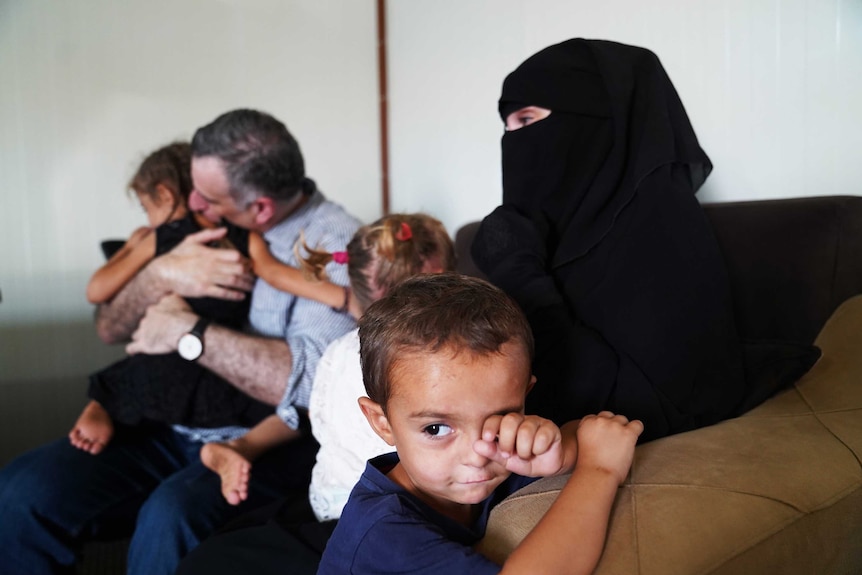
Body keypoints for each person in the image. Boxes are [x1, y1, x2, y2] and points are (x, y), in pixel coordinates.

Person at [0, 109, 361, 575]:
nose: (192, 202)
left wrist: (189, 334)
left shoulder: (333, 244)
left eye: (207, 196)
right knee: (21, 492)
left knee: (169, 516)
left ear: (261, 211)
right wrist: (159, 275)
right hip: (175, 417)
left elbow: (313, 386)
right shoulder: (206, 222)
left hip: (266, 440)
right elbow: (110, 328)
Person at [471, 39, 750, 442]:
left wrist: (518, 275)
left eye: (528, 120)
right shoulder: (536, 232)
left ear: (591, 122)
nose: (513, 141)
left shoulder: (661, 231)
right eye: (508, 126)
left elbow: (642, 407)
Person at [177, 213, 456, 574]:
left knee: (213, 552)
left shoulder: (340, 351)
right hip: (358, 511)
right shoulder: (441, 359)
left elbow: (314, 413)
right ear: (443, 281)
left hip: (342, 509)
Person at [316, 273, 643, 574]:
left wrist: (561, 453)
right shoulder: (382, 534)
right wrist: (599, 472)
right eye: (436, 429)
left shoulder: (498, 452)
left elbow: (585, 436)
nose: (477, 454)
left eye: (500, 418)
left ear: (525, 396)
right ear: (382, 423)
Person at [71, 141, 350, 455]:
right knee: (148, 365)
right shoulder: (163, 238)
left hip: (211, 344)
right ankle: (103, 403)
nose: (147, 220)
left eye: (146, 208)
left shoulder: (219, 234)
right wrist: (153, 266)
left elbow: (272, 272)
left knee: (283, 408)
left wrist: (341, 296)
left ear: (164, 194)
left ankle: (233, 445)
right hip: (173, 341)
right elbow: (98, 293)